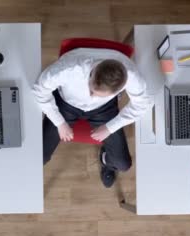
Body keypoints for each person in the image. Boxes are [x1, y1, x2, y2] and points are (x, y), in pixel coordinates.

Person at [33, 47, 153, 187]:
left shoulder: (131, 75)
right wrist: (59, 122)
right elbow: (39, 91)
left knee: (123, 164)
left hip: (104, 109)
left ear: (121, 89)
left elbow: (142, 105)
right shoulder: (68, 69)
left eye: (98, 95)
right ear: (92, 73)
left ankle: (105, 160)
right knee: (39, 157)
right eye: (91, 90)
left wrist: (110, 127)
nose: (92, 97)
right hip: (66, 104)